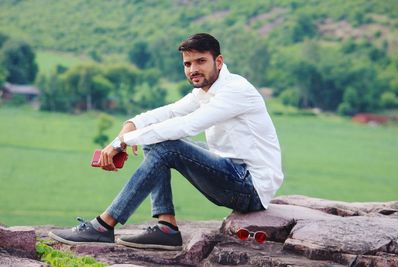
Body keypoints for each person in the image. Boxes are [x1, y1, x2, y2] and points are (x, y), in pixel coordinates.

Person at [49, 33, 284, 250]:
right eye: (187, 64)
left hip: (249, 186)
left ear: (219, 61)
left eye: (201, 61)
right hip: (232, 171)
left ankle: (103, 226)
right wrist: (130, 126)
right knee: (156, 142)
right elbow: (171, 112)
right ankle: (166, 228)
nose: (193, 69)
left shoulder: (235, 90)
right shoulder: (205, 91)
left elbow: (188, 125)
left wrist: (122, 143)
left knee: (167, 145)